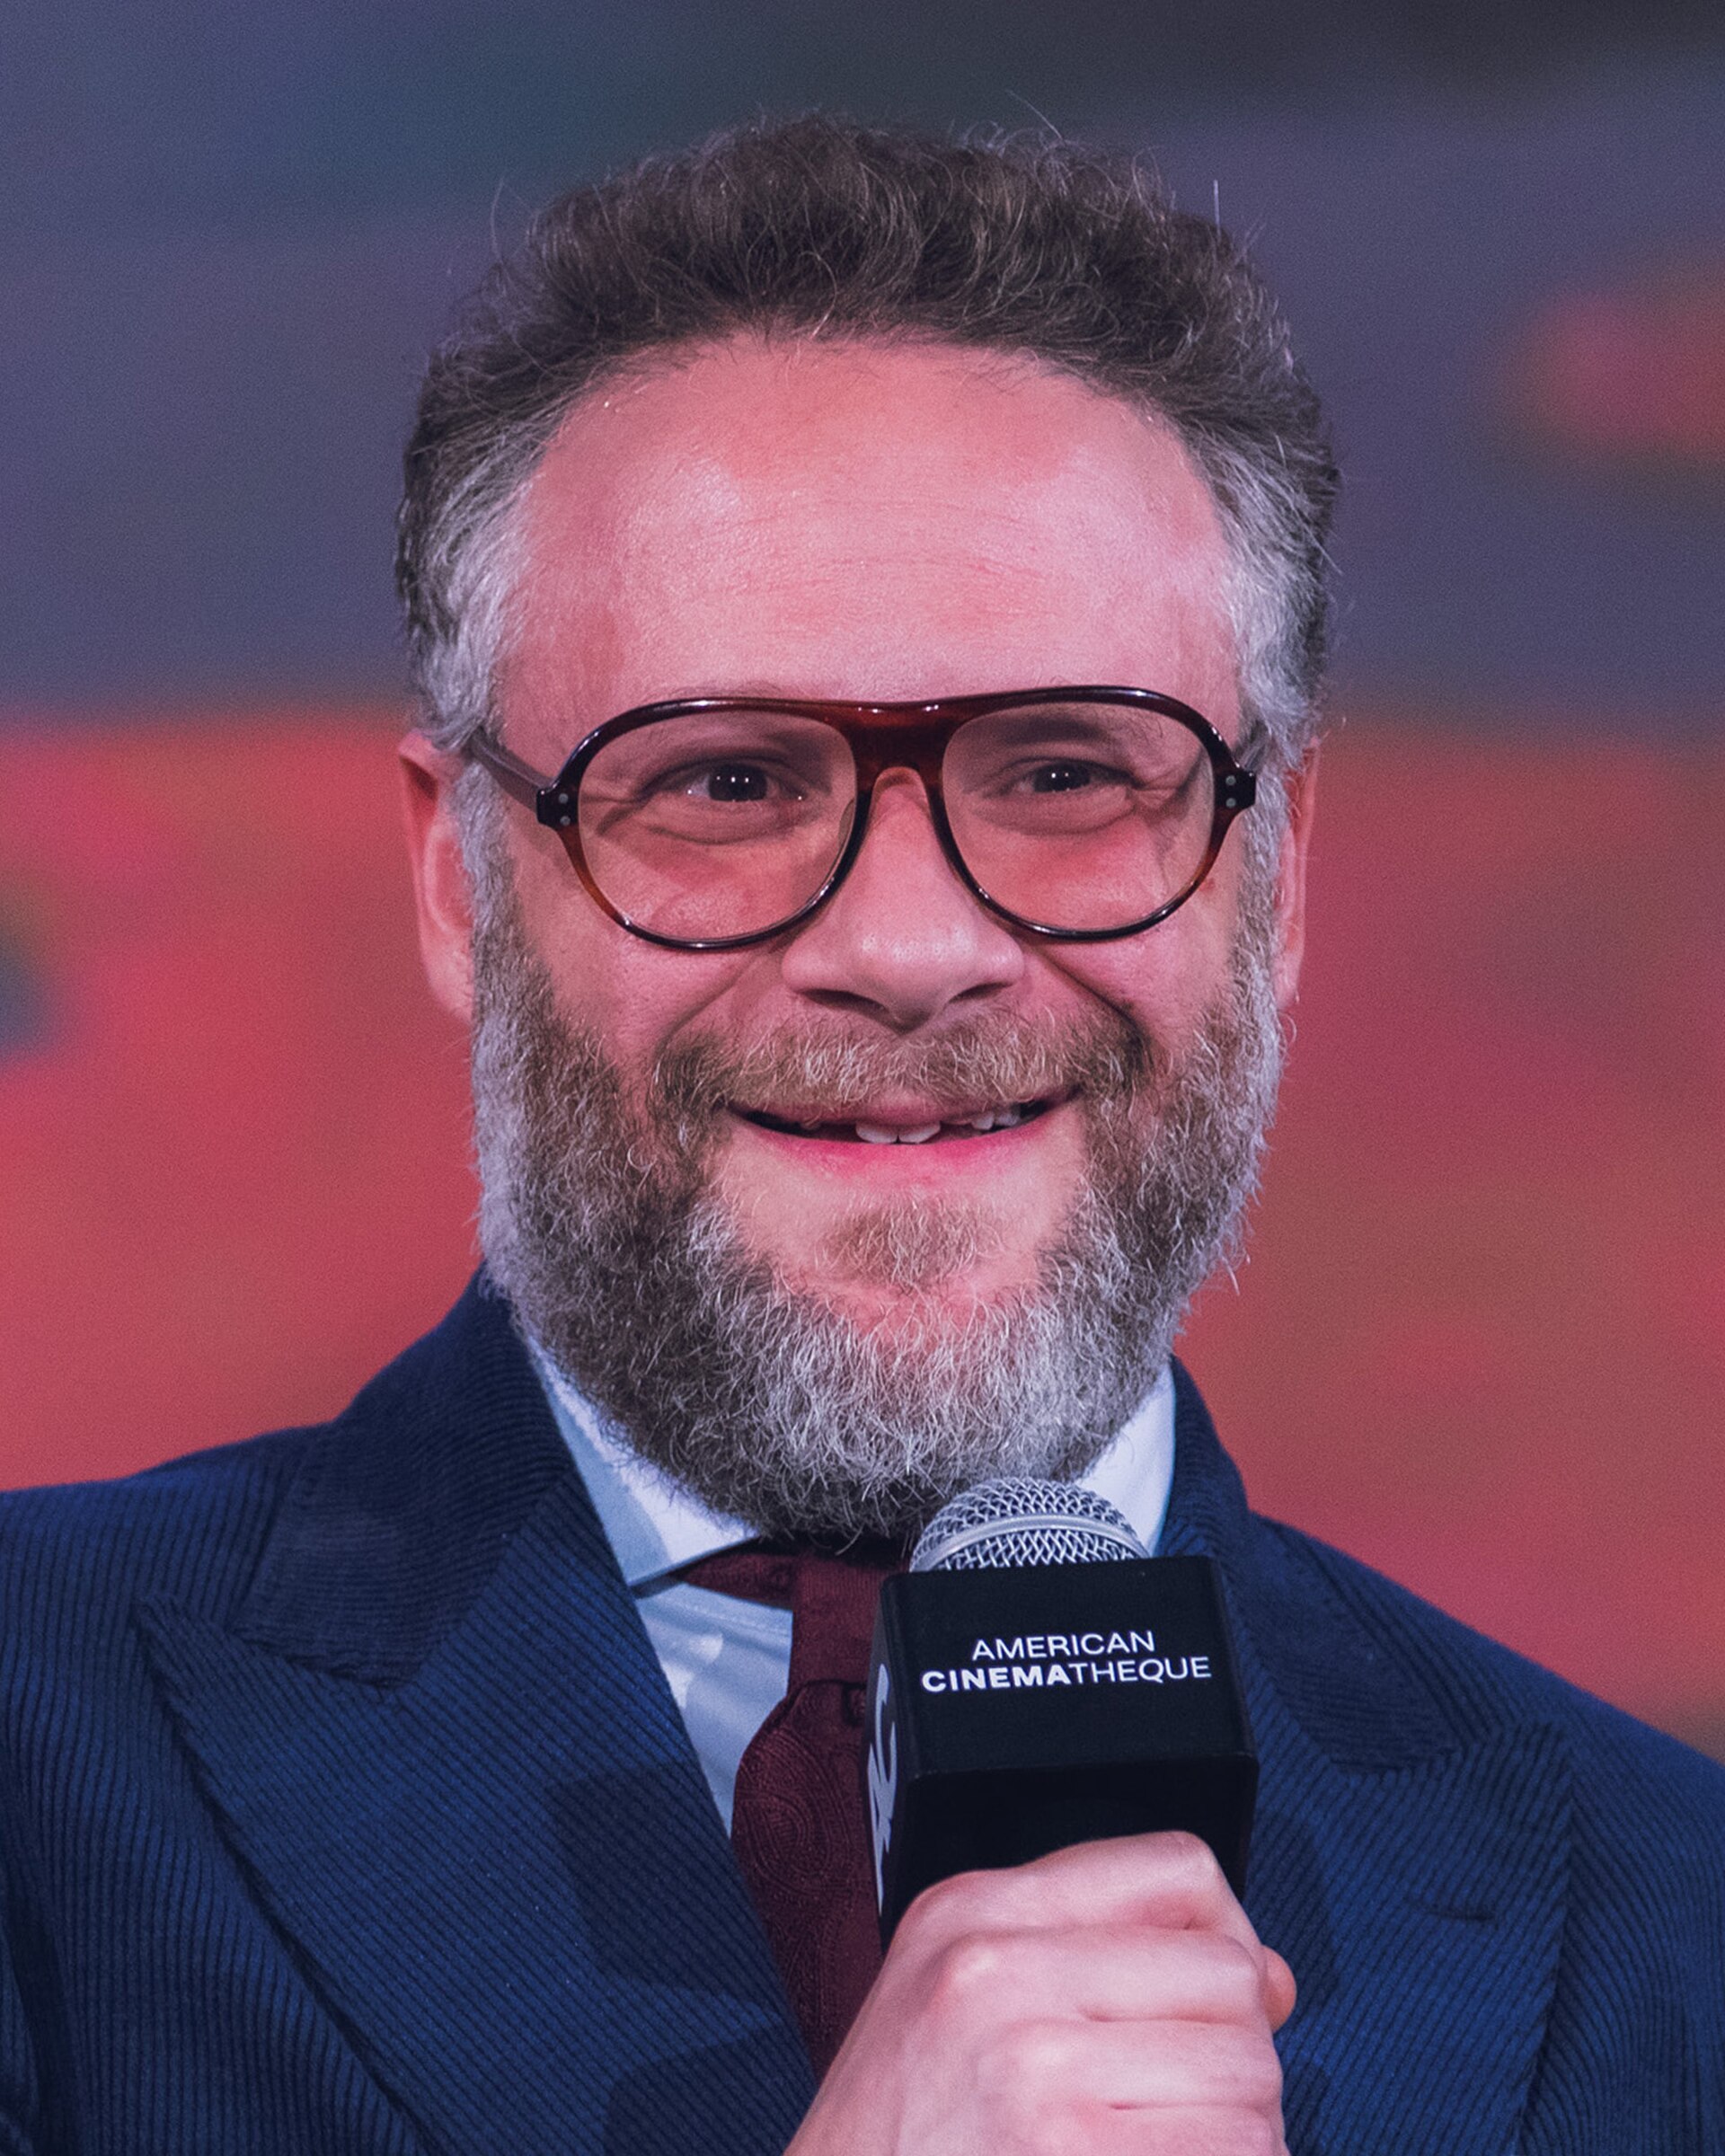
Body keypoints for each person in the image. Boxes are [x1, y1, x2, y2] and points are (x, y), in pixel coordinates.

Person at [2, 117, 1721, 2156]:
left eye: (1072, 769)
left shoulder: (1671, 1912)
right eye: (724, 782)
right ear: (462, 878)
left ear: (1282, 869)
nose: (912, 950)